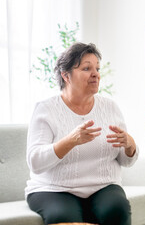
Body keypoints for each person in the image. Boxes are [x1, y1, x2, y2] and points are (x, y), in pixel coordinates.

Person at [26, 42, 139, 225]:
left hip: (103, 187)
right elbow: (35, 162)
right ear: (66, 75)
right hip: (54, 189)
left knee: (117, 211)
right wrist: (71, 140)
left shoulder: (110, 107)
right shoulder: (45, 109)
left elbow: (126, 161)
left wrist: (130, 145)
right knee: (63, 218)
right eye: (86, 68)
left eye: (97, 68)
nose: (95, 74)